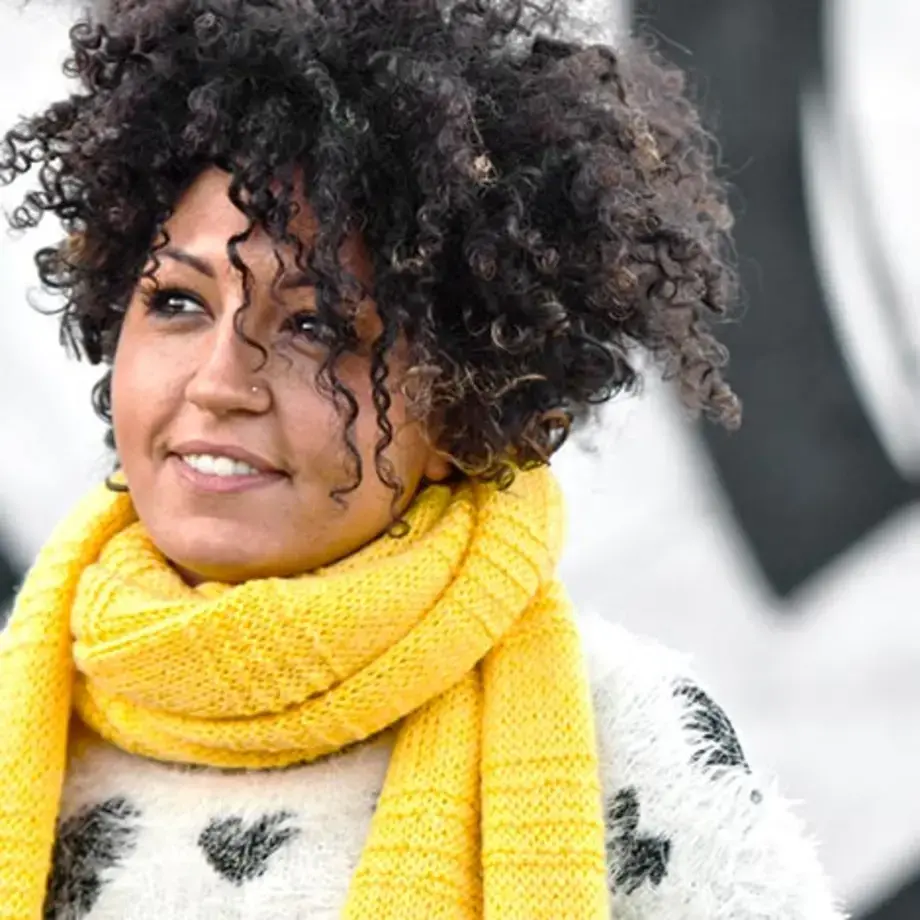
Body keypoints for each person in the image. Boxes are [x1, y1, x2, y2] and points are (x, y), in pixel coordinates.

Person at [0, 1, 844, 917]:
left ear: (463, 403)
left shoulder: (633, 746)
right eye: (177, 304)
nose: (219, 382)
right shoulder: (29, 721)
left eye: (316, 327)